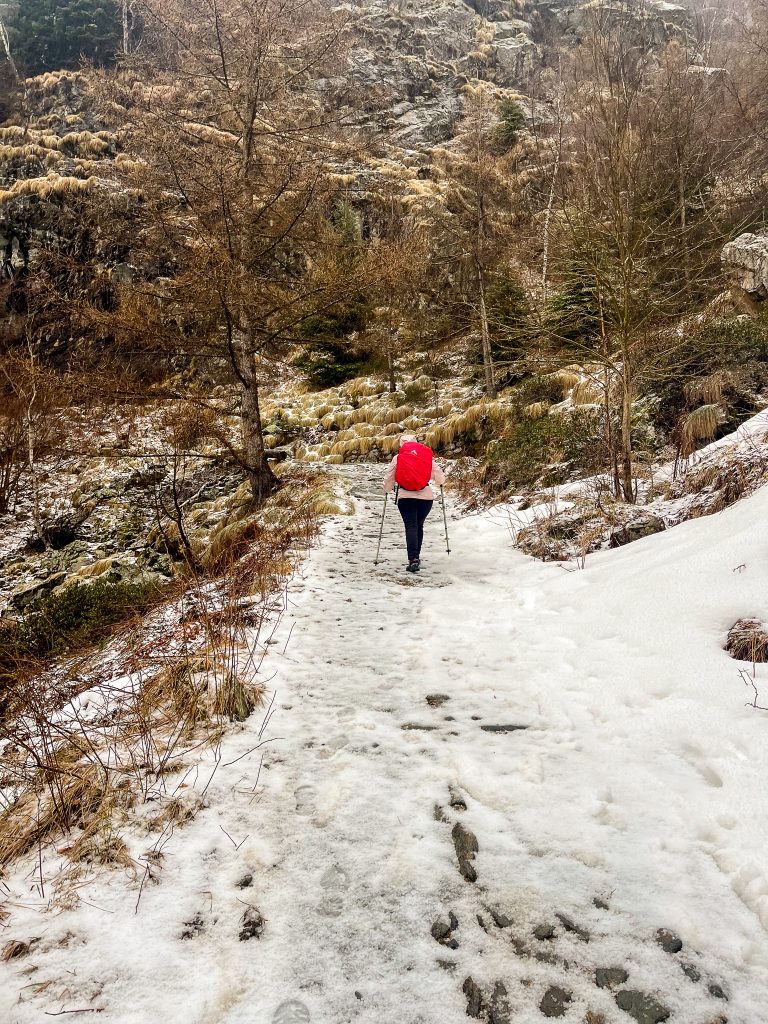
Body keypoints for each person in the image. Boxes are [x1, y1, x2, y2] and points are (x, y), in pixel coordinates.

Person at [383, 433, 446, 572]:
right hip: (426, 499)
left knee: (411, 526)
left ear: (401, 444)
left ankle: (413, 559)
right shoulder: (424, 456)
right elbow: (439, 475)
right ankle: (416, 556)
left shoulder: (398, 458)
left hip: (406, 498)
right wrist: (440, 482)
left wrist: (387, 489)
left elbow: (389, 476)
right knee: (419, 525)